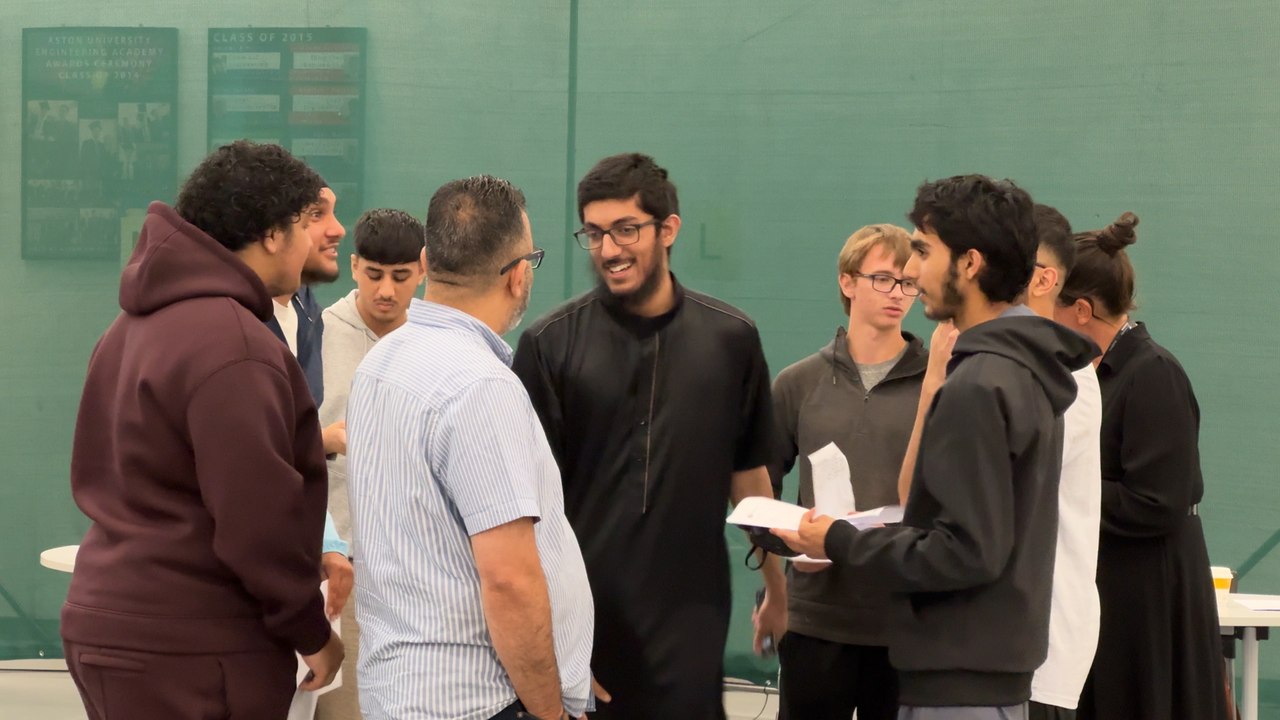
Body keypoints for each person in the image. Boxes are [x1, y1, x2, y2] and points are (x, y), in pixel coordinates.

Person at [775, 174, 1097, 720]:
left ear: (969, 264)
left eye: (923, 250)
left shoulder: (980, 385)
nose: (912, 273)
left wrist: (840, 538)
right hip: (988, 675)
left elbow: (965, 550)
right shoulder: (1022, 371)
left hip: (959, 685)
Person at [61, 140, 344, 719]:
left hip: (108, 623)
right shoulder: (235, 344)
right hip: (197, 642)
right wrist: (312, 632)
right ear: (272, 233)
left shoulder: (128, 327)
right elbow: (255, 521)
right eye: (308, 221)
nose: (320, 236)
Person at [512, 152, 785, 720]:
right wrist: (554, 645)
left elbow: (750, 477)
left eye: (626, 229)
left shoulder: (732, 340)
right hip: (586, 627)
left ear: (669, 230)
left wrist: (779, 594)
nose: (609, 249)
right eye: (595, 233)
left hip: (692, 627)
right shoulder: (548, 345)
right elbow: (524, 509)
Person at [347, 175, 594, 720]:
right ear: (518, 276)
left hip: (405, 692)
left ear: (428, 260)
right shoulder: (480, 386)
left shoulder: (381, 365)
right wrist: (551, 711)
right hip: (483, 702)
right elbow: (508, 580)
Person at [1056, 213, 1227, 720]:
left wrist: (1055, 487)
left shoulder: (1152, 373)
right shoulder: (1088, 376)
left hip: (1148, 595)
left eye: (1049, 306)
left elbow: (1159, 500)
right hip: (1107, 588)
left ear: (1082, 310)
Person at [768, 224, 926, 720]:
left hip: (905, 624)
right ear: (847, 282)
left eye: (907, 283)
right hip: (817, 621)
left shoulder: (941, 384)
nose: (897, 294)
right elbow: (759, 490)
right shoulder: (799, 383)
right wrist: (791, 540)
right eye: (882, 278)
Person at [314, 208, 425, 720]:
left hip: (420, 569)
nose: (386, 291)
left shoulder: (435, 340)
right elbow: (273, 445)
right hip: (343, 564)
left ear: (422, 270)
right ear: (354, 266)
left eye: (401, 277)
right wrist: (325, 440)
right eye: (374, 275)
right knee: (343, 709)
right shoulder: (317, 335)